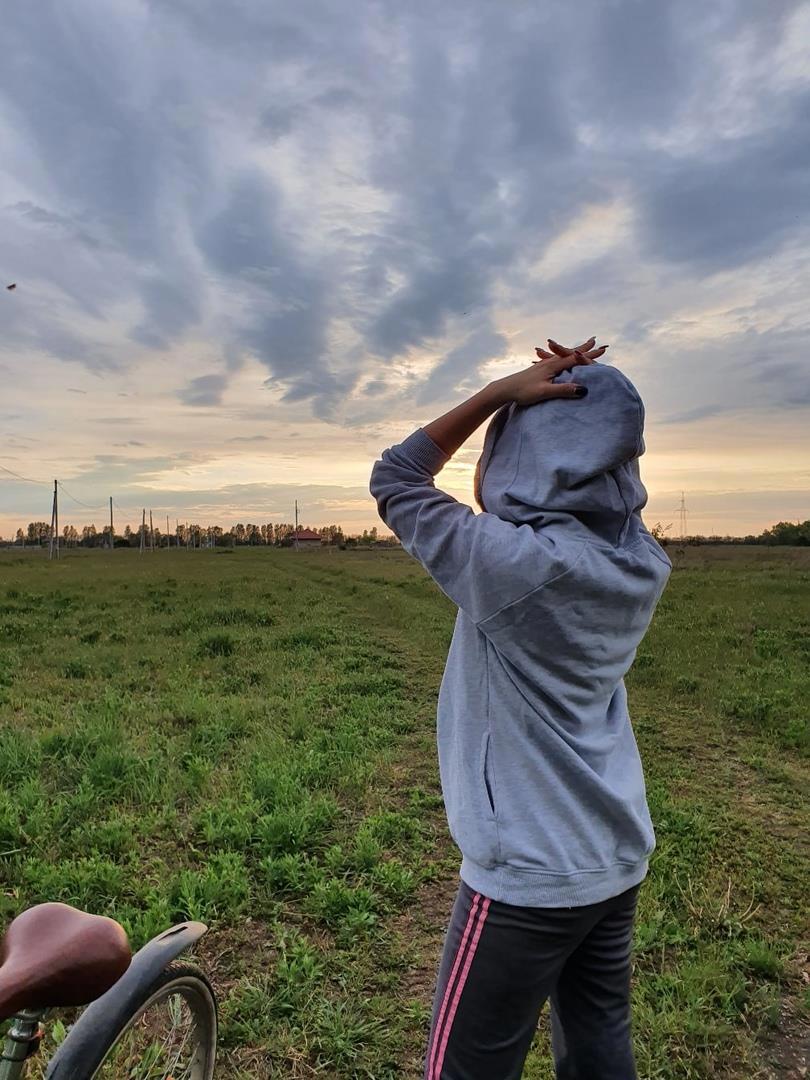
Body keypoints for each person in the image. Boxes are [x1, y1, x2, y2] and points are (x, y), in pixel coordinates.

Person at [369, 337, 672, 1080]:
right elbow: (606, 487)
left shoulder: (514, 563)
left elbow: (397, 476)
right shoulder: (638, 559)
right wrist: (596, 395)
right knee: (600, 1049)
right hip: (613, 853)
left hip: (528, 877)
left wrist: (501, 393)